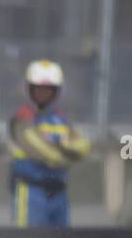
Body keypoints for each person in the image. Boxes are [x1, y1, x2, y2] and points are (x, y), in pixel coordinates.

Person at [8, 60, 91, 227]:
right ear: (29, 89)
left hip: (59, 192)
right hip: (31, 191)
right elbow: (42, 152)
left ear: (56, 92)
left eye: (48, 89)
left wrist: (59, 150)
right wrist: (64, 151)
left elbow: (83, 146)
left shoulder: (60, 119)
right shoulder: (23, 118)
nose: (43, 93)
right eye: (38, 89)